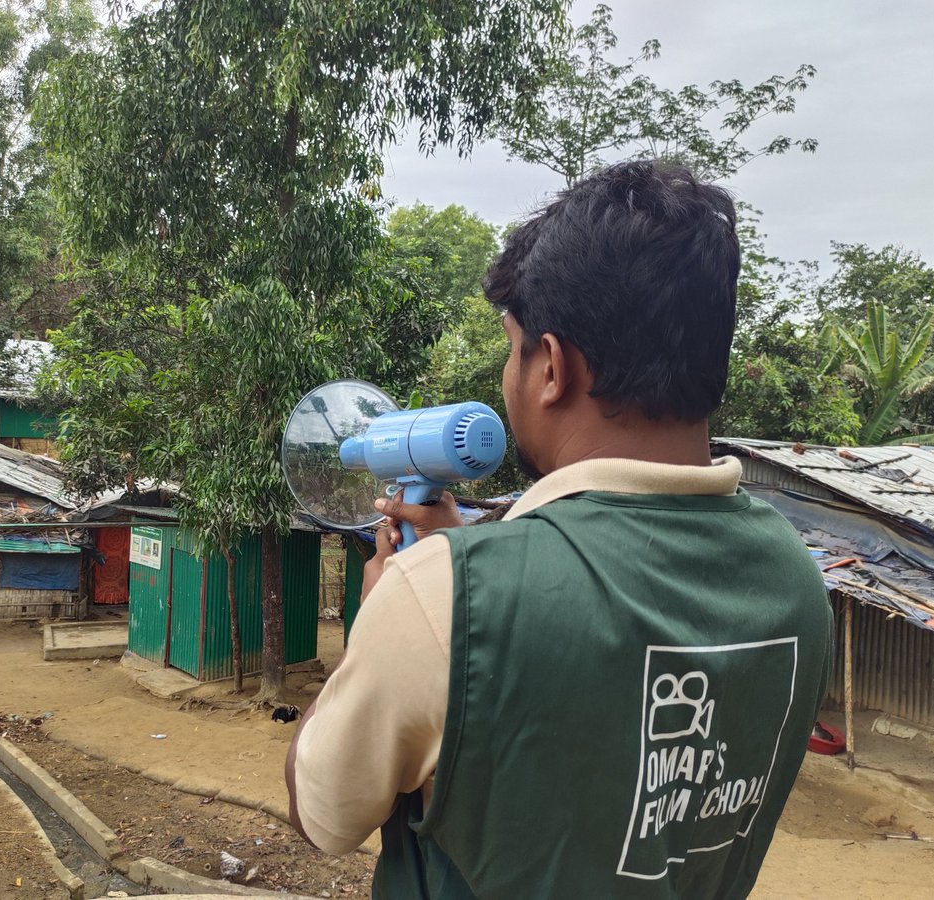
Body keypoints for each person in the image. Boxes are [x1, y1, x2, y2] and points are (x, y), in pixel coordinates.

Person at [285, 161, 834, 899]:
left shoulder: (445, 595)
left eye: (514, 349)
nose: (510, 374)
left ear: (553, 367)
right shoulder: (796, 579)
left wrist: (393, 611)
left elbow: (322, 814)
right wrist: (470, 556)